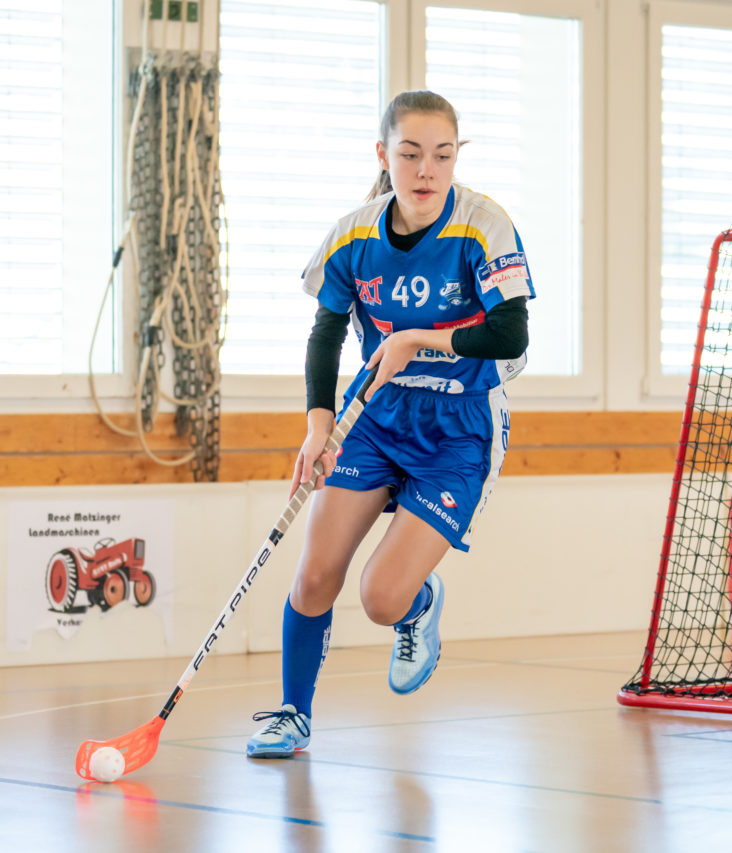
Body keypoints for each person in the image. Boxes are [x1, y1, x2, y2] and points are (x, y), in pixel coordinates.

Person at [246, 90, 534, 758]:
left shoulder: (484, 225)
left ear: (457, 156)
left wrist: (418, 339)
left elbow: (511, 333)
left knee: (379, 597)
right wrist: (318, 426)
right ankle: (293, 712)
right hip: (374, 412)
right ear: (384, 155)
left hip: (458, 428)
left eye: (442, 155)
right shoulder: (354, 233)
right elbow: (326, 330)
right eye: (410, 154)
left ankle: (415, 607)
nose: (426, 170)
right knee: (316, 572)